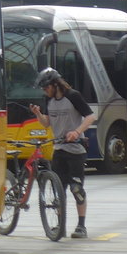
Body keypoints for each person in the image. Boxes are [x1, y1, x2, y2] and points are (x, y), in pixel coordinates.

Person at [29, 68, 96, 238]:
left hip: (76, 150)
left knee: (76, 189)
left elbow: (90, 117)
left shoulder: (73, 96)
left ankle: (81, 226)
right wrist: (38, 114)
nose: (45, 91)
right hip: (58, 150)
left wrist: (77, 132)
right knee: (59, 191)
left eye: (46, 87)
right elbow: (47, 123)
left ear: (55, 84)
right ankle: (60, 226)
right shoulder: (49, 100)